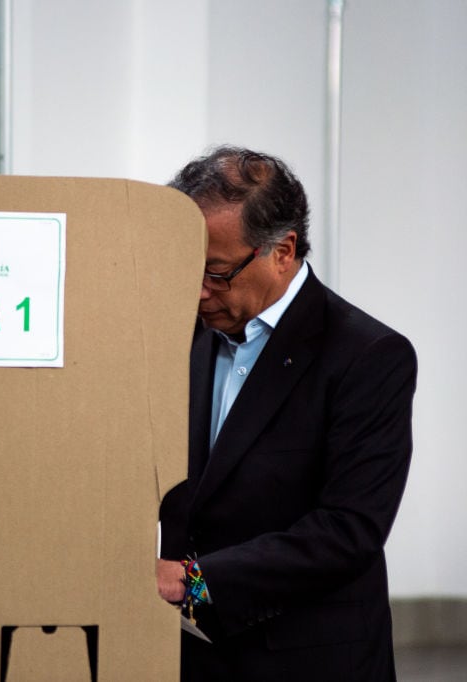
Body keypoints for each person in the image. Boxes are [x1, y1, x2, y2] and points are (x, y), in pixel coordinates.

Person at [156, 146, 417, 681]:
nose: (198, 290)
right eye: (186, 269)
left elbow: (347, 532)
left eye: (217, 272)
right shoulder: (180, 336)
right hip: (189, 658)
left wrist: (194, 582)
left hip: (306, 659)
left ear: (283, 250)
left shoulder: (368, 357)